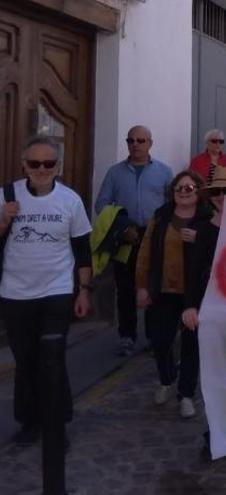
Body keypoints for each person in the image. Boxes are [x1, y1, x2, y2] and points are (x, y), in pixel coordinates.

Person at [1, 135, 92, 445]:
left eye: (48, 163)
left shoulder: (70, 201)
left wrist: (84, 290)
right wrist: (3, 220)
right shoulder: (6, 196)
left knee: (51, 358)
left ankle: (57, 425)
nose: (41, 169)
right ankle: (29, 422)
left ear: (58, 166)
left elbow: (82, 250)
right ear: (24, 165)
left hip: (56, 291)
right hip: (15, 293)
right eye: (34, 163)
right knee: (25, 361)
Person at [180, 163, 226, 455]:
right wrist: (189, 306)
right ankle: (218, 433)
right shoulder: (203, 231)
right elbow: (194, 272)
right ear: (211, 196)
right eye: (220, 191)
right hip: (214, 313)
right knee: (216, 376)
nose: (225, 196)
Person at [135, 170, 212, 418]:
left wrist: (200, 239)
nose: (183, 192)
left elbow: (218, 250)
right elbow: (145, 252)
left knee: (191, 345)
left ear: (198, 192)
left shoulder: (207, 219)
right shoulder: (161, 217)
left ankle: (186, 394)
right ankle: (167, 377)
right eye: (179, 188)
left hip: (194, 292)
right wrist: (143, 285)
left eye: (188, 188)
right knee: (160, 339)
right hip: (164, 289)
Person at [95, 125, 173, 356]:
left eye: (140, 140)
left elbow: (172, 203)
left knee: (153, 287)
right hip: (125, 236)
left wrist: (161, 228)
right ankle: (127, 336)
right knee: (125, 288)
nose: (135, 144)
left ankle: (152, 335)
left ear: (150, 143)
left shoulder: (164, 171)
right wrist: (122, 227)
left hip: (154, 236)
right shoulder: (115, 173)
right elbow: (102, 204)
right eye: (131, 140)